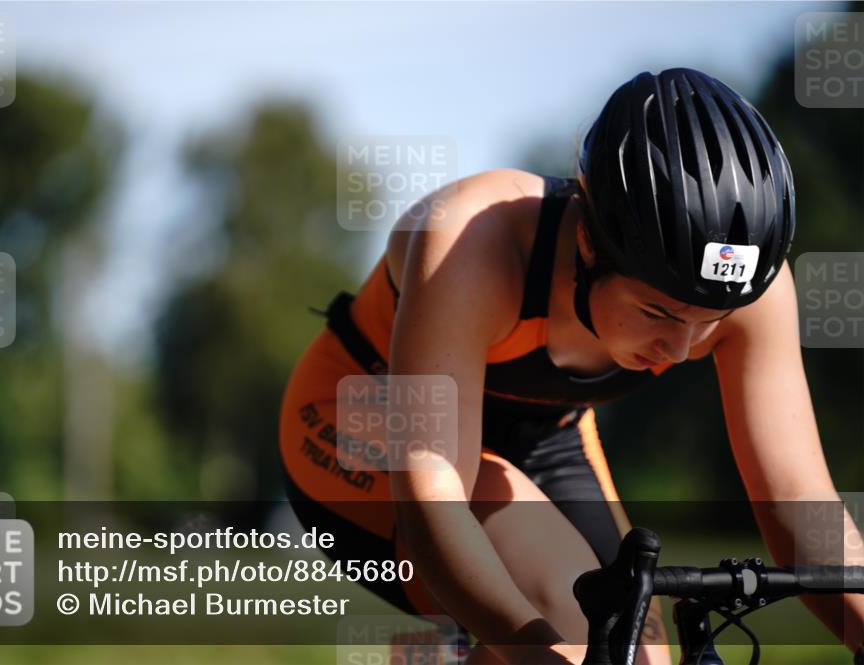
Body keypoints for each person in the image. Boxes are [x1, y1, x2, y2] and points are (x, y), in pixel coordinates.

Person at [278, 67, 864, 664]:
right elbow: (434, 503)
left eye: (711, 320)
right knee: (566, 622)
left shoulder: (750, 284)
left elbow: (799, 501)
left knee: (637, 652)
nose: (680, 349)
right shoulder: (469, 242)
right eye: (657, 312)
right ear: (587, 243)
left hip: (547, 435)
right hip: (370, 424)